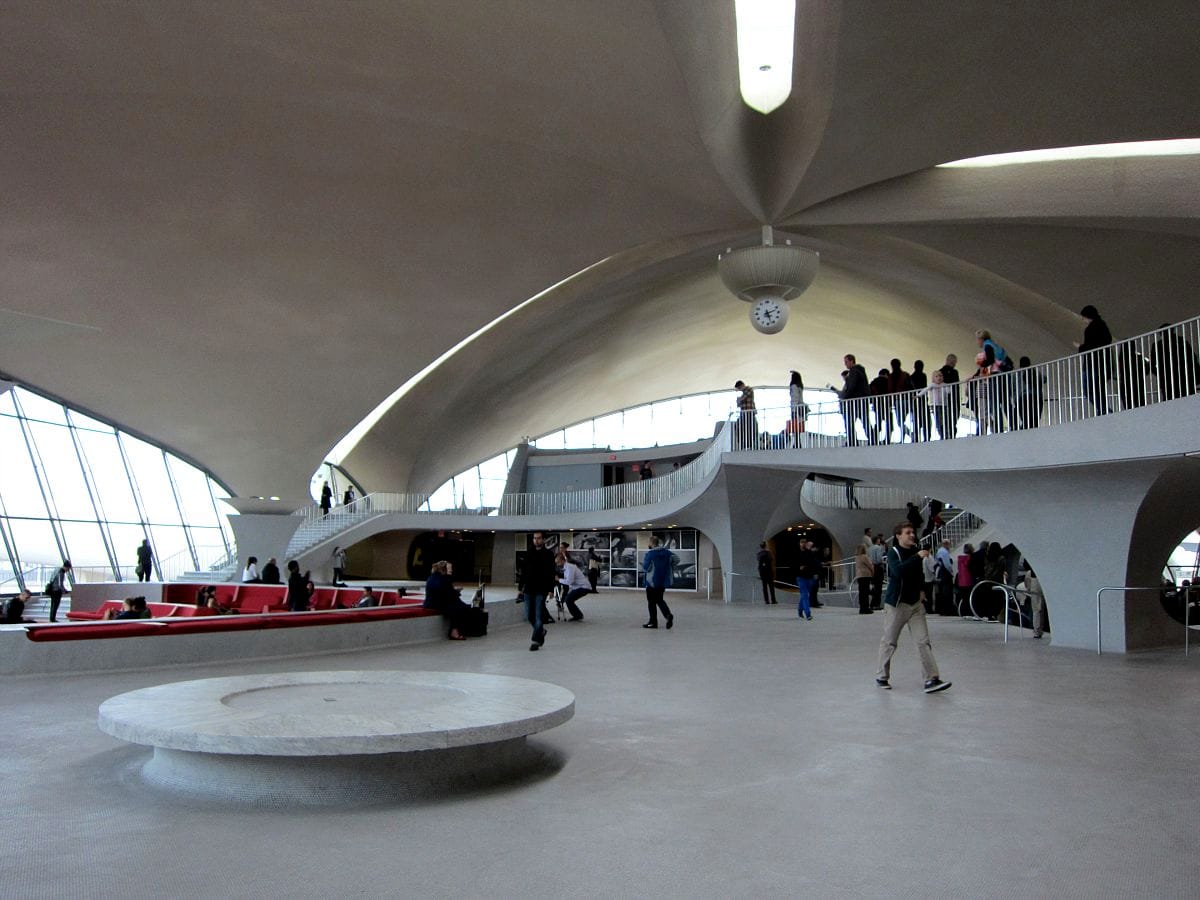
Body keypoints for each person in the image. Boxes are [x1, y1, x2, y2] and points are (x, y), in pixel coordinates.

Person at [875, 521, 951, 693]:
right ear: (898, 535)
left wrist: (922, 590)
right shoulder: (894, 552)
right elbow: (898, 572)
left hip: (915, 605)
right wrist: (918, 556)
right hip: (897, 605)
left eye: (913, 532)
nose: (912, 535)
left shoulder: (917, 552)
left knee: (923, 641)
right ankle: (881, 675)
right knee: (889, 641)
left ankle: (931, 679)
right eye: (907, 532)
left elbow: (918, 574)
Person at [520, 531, 557, 650]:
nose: (536, 540)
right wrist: (520, 588)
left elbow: (552, 572)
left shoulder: (548, 555)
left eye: (539, 538)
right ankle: (541, 631)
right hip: (528, 588)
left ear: (544, 540)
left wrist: (551, 589)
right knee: (529, 615)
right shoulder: (529, 553)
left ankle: (535, 641)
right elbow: (524, 571)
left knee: (538, 616)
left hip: (541, 589)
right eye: (535, 538)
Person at [1076, 304, 1113, 414]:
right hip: (1101, 363)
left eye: (1083, 317)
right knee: (1098, 389)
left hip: (1092, 363)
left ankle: (1103, 410)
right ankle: (1102, 409)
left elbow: (1093, 345)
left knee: (1090, 390)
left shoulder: (1092, 328)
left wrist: (1081, 347)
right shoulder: (1102, 326)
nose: (1083, 319)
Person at [1149, 323, 1200, 401]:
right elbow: (1192, 357)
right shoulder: (1180, 341)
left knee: (1171, 400)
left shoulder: (1158, 345)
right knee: (1188, 398)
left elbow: (1152, 365)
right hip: (1183, 375)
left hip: (1170, 378)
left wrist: (1160, 373)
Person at [423, 561, 472, 639]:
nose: (451, 571)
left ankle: (456, 629)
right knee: (459, 606)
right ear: (443, 570)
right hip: (435, 604)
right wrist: (456, 591)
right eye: (449, 570)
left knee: (459, 604)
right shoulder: (442, 578)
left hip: (435, 602)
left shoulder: (434, 577)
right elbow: (448, 592)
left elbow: (446, 591)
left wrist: (454, 591)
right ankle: (454, 630)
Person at [642, 536, 676, 629]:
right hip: (663, 581)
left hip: (652, 582)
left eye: (649, 542)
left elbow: (646, 567)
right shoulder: (667, 552)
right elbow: (677, 559)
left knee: (651, 602)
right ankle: (668, 615)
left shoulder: (650, 554)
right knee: (659, 600)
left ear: (652, 543)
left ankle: (653, 622)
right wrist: (669, 566)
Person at [838, 354, 872, 446]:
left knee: (849, 421)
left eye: (846, 362)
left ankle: (852, 441)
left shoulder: (853, 371)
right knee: (865, 421)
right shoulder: (861, 371)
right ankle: (873, 439)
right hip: (862, 401)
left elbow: (851, 386)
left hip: (854, 402)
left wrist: (845, 396)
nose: (845, 364)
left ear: (851, 361)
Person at [558, 553, 591, 621]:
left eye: (558, 562)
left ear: (562, 560)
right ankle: (578, 615)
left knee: (568, 599)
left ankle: (578, 615)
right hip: (578, 587)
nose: (557, 564)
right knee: (569, 599)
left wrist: (558, 580)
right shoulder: (566, 567)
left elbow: (569, 581)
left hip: (583, 587)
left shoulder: (570, 567)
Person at [887, 358, 913, 441]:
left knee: (900, 421)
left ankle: (908, 435)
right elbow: (911, 387)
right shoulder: (905, 375)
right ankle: (908, 435)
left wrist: (890, 402)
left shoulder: (891, 376)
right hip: (906, 399)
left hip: (898, 400)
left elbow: (890, 389)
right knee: (901, 420)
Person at [794, 540, 819, 621]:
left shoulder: (809, 553)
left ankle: (800, 610)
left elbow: (813, 563)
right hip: (801, 577)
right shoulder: (797, 553)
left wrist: (815, 573)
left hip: (809, 577)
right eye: (801, 542)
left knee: (805, 595)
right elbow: (793, 564)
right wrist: (799, 567)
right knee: (805, 595)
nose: (803, 544)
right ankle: (808, 614)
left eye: (804, 542)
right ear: (799, 543)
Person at [938, 353, 961, 436]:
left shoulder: (940, 372)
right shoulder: (952, 372)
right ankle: (949, 435)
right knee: (951, 420)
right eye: (953, 362)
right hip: (950, 400)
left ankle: (945, 435)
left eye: (954, 362)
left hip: (947, 400)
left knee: (946, 421)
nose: (953, 364)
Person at [1022, 562, 1046, 639]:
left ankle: (1037, 630)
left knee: (1036, 608)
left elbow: (1026, 564)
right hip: (1045, 575)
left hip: (1034, 577)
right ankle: (1039, 629)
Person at [910, 360, 930, 442]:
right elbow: (924, 387)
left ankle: (917, 438)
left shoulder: (911, 377)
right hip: (922, 400)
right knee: (926, 420)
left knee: (916, 421)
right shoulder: (923, 375)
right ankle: (926, 438)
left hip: (915, 401)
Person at [934, 540, 956, 615]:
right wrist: (951, 571)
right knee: (947, 592)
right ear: (946, 544)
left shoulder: (939, 551)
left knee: (942, 592)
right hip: (945, 573)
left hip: (941, 573)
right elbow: (947, 564)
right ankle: (948, 609)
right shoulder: (944, 552)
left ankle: (942, 609)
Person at [734, 380, 757, 449]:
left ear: (742, 385)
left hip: (749, 412)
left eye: (739, 388)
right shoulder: (744, 393)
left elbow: (741, 400)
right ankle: (743, 443)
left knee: (749, 428)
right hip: (744, 413)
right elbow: (739, 403)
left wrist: (739, 400)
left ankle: (749, 444)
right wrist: (739, 400)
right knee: (742, 427)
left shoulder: (749, 389)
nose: (739, 390)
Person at [955, 543, 976, 616]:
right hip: (968, 580)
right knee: (970, 597)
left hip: (961, 581)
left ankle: (964, 612)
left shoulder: (960, 559)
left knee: (964, 598)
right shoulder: (970, 558)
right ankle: (969, 612)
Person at [788, 370, 807, 446]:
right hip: (800, 408)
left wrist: (794, 409)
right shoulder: (800, 387)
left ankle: (796, 442)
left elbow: (794, 398)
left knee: (795, 426)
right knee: (798, 426)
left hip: (795, 408)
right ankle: (797, 442)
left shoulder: (794, 386)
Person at [868, 536, 886, 610]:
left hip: (872, 567)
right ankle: (876, 604)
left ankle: (872, 604)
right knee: (878, 587)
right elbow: (878, 559)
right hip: (878, 568)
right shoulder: (878, 548)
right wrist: (883, 562)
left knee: (875, 586)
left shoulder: (870, 548)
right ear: (877, 540)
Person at [854, 544, 873, 614]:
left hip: (859, 575)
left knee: (861, 592)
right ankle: (866, 608)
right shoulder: (864, 556)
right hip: (865, 575)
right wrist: (873, 571)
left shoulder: (856, 557)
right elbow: (870, 565)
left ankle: (862, 608)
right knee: (866, 592)